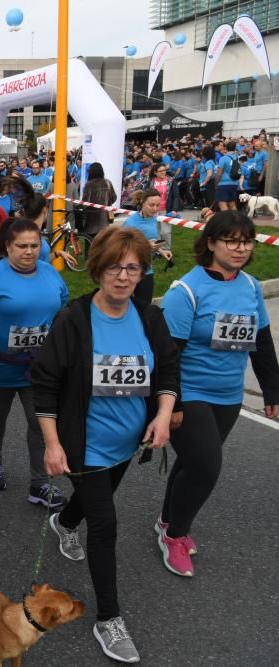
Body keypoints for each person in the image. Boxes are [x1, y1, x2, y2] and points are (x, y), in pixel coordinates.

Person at [32, 226, 178, 663]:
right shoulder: (74, 319)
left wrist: (164, 416)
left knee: (94, 503)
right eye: (115, 267)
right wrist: (52, 445)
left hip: (128, 443)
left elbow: (168, 372)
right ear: (98, 270)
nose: (123, 276)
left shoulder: (149, 318)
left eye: (133, 268)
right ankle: (109, 619)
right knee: (106, 524)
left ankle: (65, 522)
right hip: (84, 444)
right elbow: (45, 384)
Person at [157, 211, 279, 577]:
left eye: (246, 241)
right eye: (231, 240)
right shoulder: (187, 291)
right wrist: (171, 404)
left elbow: (261, 342)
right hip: (190, 392)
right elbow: (169, 354)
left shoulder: (251, 287)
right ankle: (175, 535)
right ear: (210, 242)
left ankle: (166, 520)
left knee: (192, 463)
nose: (240, 248)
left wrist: (272, 389)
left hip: (229, 395)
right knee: (207, 467)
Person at [0, 217, 68, 506]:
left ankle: (39, 484)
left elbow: (62, 315)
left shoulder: (51, 273)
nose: (29, 251)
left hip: (38, 368)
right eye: (22, 246)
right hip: (0, 364)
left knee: (40, 422)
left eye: (35, 245)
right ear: (7, 246)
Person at [123, 189, 172, 308]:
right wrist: (145, 245)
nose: (155, 209)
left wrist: (161, 250)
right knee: (125, 307)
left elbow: (151, 241)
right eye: (151, 205)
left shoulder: (154, 219)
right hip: (128, 271)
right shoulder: (130, 223)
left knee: (145, 308)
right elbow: (122, 248)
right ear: (142, 202)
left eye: (157, 205)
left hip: (146, 270)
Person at [80, 163, 117, 236]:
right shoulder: (108, 183)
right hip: (104, 221)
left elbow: (85, 203)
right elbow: (114, 197)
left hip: (91, 221)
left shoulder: (89, 185)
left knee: (91, 243)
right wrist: (106, 203)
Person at [214, 140, 240, 212]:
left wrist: (216, 183)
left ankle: (226, 221)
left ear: (226, 149)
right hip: (234, 183)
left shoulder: (223, 158)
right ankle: (235, 221)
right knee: (232, 204)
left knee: (223, 204)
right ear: (234, 149)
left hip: (224, 184)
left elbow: (219, 173)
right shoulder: (237, 158)